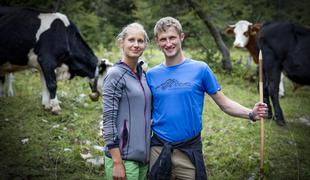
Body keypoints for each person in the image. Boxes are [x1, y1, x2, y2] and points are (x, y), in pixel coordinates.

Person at [146, 17, 268, 180]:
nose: (168, 43)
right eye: (163, 39)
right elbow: (141, 109)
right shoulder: (151, 75)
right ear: (157, 41)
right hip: (158, 149)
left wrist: (251, 114)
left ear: (181, 37)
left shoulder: (200, 69)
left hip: (188, 150)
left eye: (172, 37)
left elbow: (224, 104)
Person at [102, 22, 152, 180]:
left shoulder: (143, 74)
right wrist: (117, 162)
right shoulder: (115, 74)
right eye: (131, 40)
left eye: (140, 41)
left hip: (143, 158)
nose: (136, 45)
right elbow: (108, 120)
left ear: (145, 44)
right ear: (121, 42)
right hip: (123, 159)